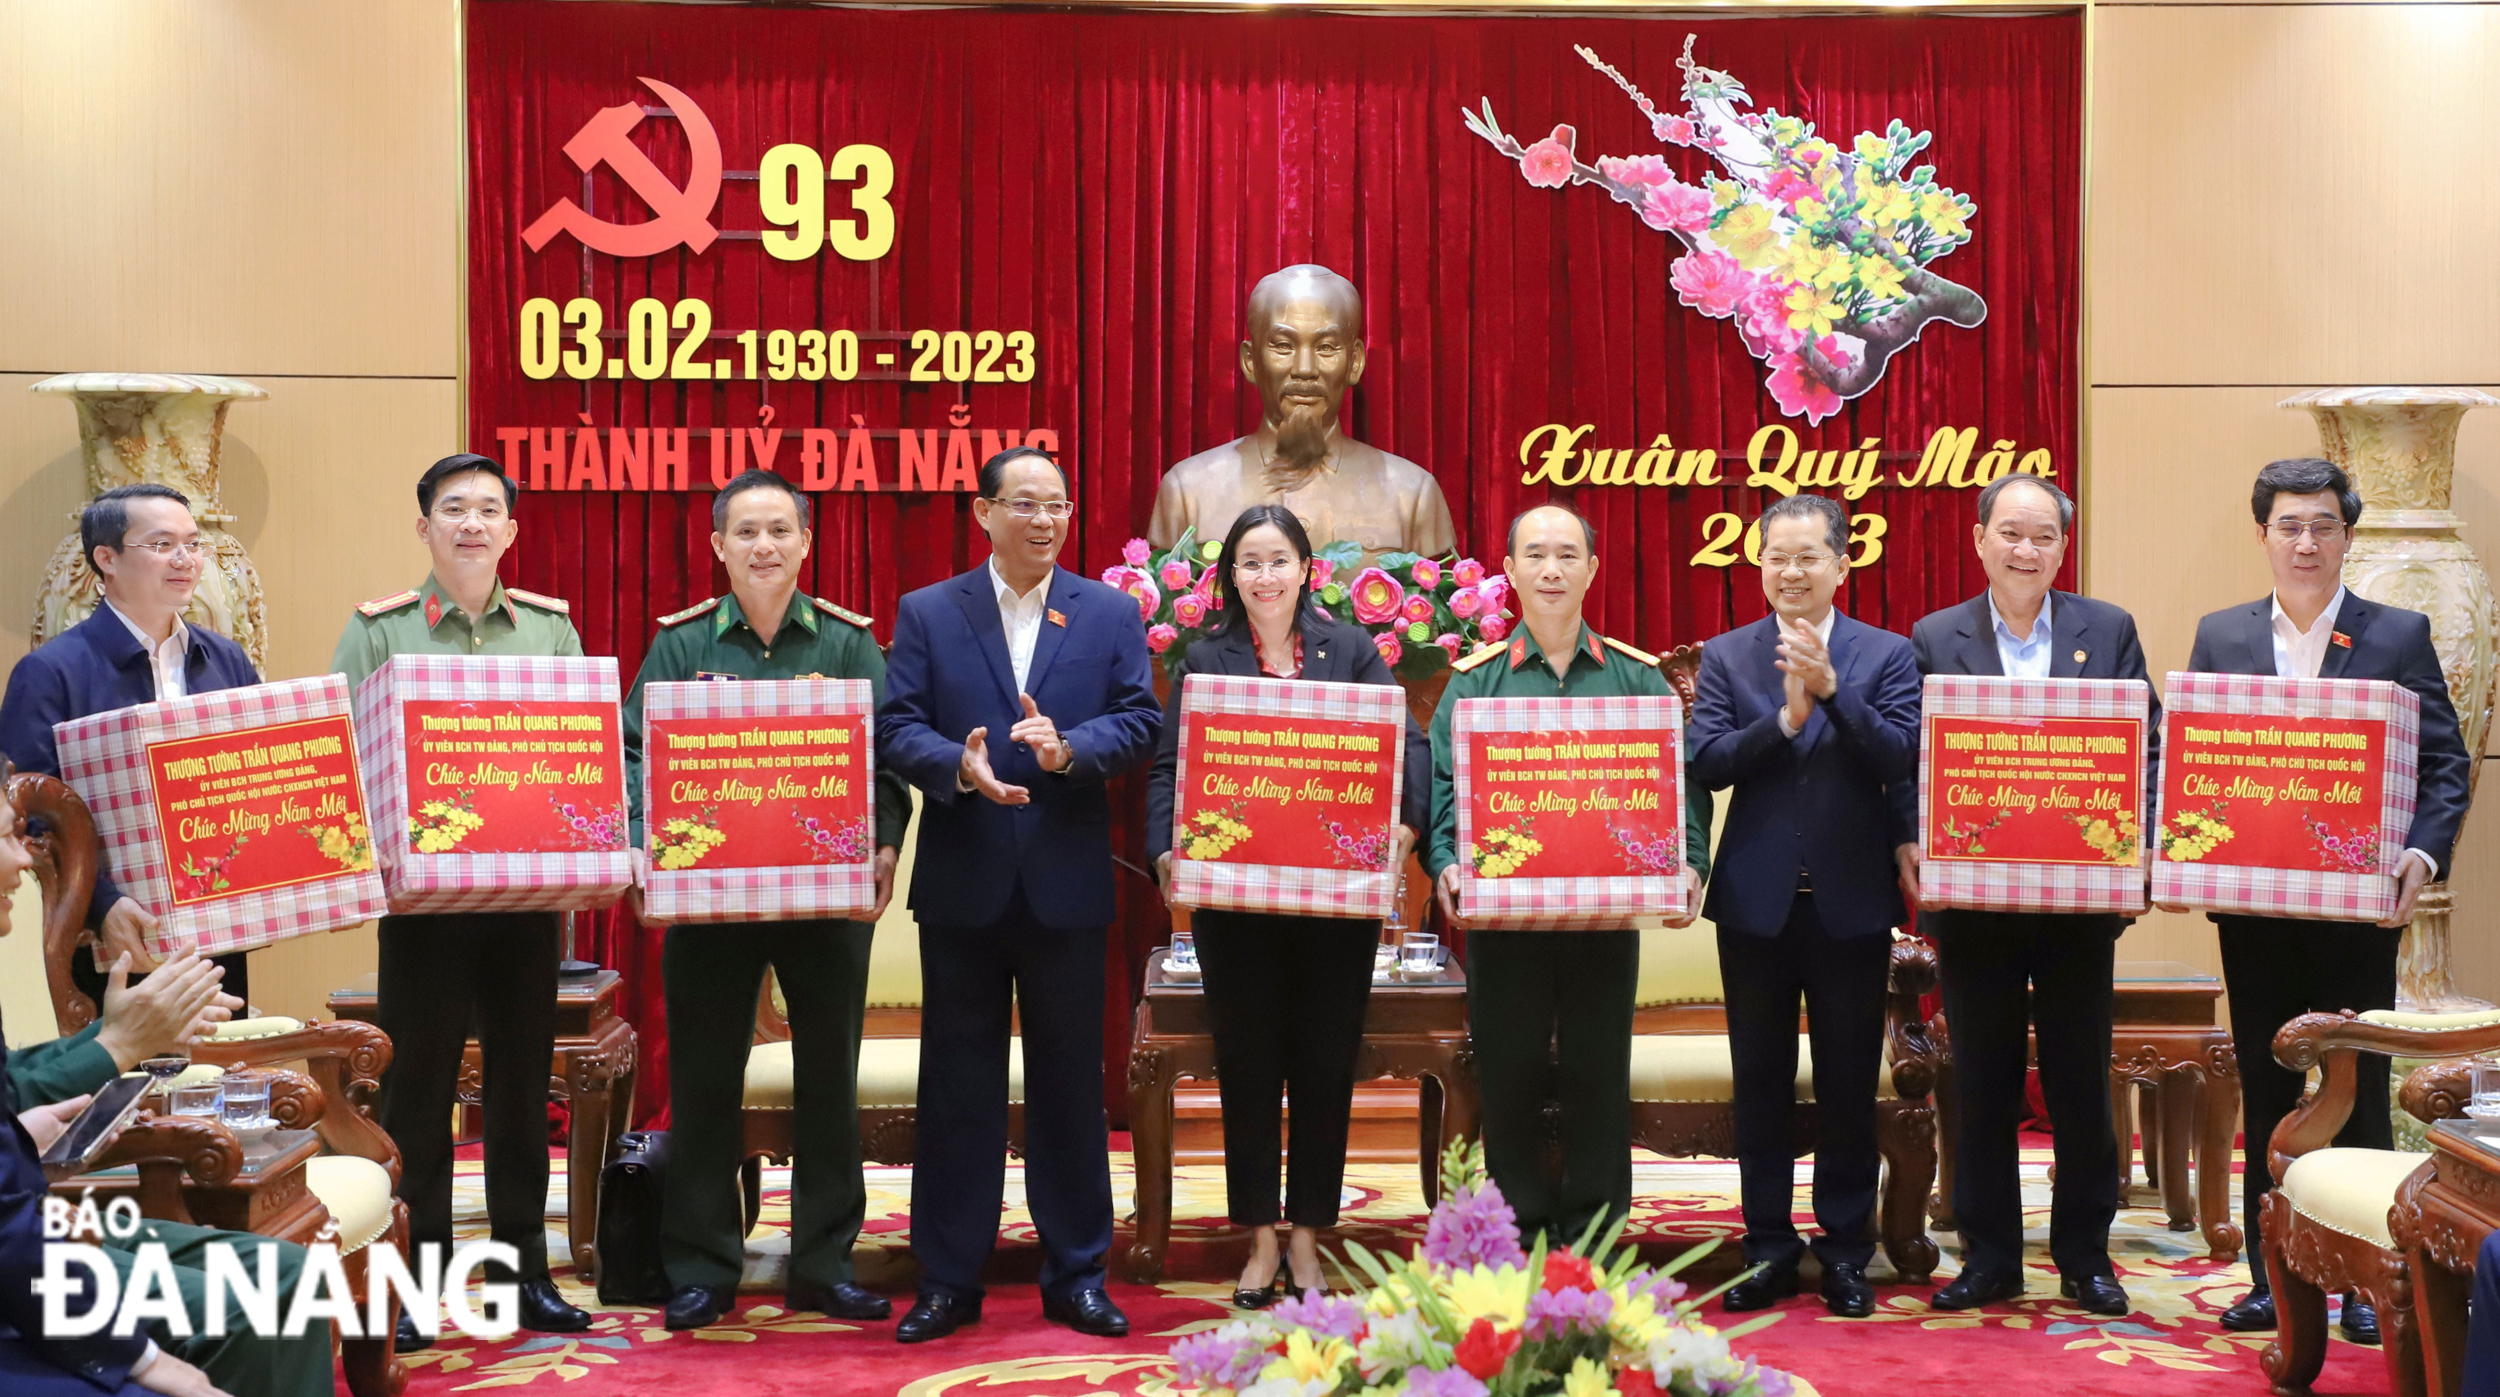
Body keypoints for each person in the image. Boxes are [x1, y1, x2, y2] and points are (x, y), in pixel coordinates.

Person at [876, 446, 1161, 1343]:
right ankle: (947, 1278)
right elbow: (895, 725)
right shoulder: (929, 610)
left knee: (1072, 1088)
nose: (1045, 521)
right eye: (1026, 504)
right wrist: (954, 768)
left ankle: (1077, 1272)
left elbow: (1142, 719)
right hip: (963, 880)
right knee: (956, 1087)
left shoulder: (1110, 611)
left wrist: (1070, 749)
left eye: (1059, 507)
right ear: (983, 512)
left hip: (1066, 885)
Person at [2185, 457, 2470, 1344]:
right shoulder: (2222, 635)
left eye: (2322, 525)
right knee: (2268, 1083)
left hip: (2355, 910)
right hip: (2255, 909)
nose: (2305, 541)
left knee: (2360, 1081)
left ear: (2347, 535)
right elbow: (2198, 761)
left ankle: (2359, 1274)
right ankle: (2273, 1277)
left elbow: (2446, 764)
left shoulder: (2397, 633)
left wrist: (2421, 855)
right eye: (2288, 525)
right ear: (2262, 535)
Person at [620, 469, 911, 1331]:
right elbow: (633, 753)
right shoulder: (679, 647)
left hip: (825, 901)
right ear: (718, 546)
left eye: (780, 530)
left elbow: (888, 761)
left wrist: (886, 844)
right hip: (709, 900)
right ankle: (704, 1267)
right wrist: (641, 843)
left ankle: (824, 1263)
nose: (764, 546)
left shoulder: (851, 646)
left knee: (831, 1082)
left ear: (805, 544)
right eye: (745, 532)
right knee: (707, 1082)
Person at [328, 453, 591, 1348]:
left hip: (526, 903)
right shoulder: (378, 630)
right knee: (417, 1091)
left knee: (523, 1090)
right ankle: (412, 1276)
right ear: (424, 527)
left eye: (488, 510)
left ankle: (526, 1273)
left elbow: (574, 758)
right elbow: (344, 756)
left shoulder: (551, 630)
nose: (472, 523)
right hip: (425, 908)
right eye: (454, 509)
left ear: (512, 530)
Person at [1145, 504, 1429, 1306]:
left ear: (1307, 568)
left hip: (1333, 908)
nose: (1264, 576)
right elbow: (1171, 768)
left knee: (1322, 1066)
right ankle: (1259, 1240)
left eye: (1278, 560)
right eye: (1249, 562)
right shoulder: (1206, 656)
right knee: (1247, 1067)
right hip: (1236, 910)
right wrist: (1166, 850)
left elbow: (1408, 742)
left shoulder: (1352, 650)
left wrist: (1405, 826)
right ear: (1229, 576)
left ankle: (1308, 1237)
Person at [1425, 503, 1712, 1253]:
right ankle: (1514, 1235)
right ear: (1510, 571)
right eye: (1535, 556)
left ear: (1591, 568)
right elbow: (1445, 793)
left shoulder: (1638, 681)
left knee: (1596, 1078)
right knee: (1510, 1078)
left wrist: (1690, 865)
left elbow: (1682, 791)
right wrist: (1448, 861)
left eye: (1566, 555)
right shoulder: (1474, 685)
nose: (1551, 570)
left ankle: (1594, 1238)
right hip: (1505, 924)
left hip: (1603, 922)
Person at [1906, 474, 2154, 1315]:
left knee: (2082, 1082)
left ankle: (2086, 1255)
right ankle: (1991, 1255)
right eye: (2010, 533)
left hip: (2079, 906)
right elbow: (1914, 758)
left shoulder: (2107, 628)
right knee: (1981, 1081)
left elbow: (2140, 749)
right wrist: (1913, 839)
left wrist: (2144, 851)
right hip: (1975, 906)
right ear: (1978, 540)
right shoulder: (1935, 635)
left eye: (2043, 536)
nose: (2025, 549)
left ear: (2062, 546)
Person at [0, 771, 324, 1397]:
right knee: (252, 1305)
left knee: (288, 1276)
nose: (25, 860)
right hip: (21, 1246)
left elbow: (12, 1084)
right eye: (11, 837)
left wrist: (22, 1132)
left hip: (29, 1215)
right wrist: (144, 1359)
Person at [1688, 493, 1921, 1319]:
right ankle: (1767, 1248)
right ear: (1759, 565)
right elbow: (1708, 762)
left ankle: (1847, 1251)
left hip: (1851, 903)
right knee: (1761, 1084)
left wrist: (1832, 694)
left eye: (1807, 558)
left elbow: (1899, 754)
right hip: (1755, 905)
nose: (1790, 572)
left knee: (1850, 1083)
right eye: (1775, 558)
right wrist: (1785, 722)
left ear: (1841, 565)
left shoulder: (1887, 654)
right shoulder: (1727, 655)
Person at [0, 483, 261, 1006]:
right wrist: (102, 906)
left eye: (194, 543)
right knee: (127, 1085)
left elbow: (255, 784)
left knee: (217, 1077)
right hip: (109, 935)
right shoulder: (50, 673)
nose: (186, 560)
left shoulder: (227, 660)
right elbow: (32, 817)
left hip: (217, 930)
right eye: (163, 545)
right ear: (107, 558)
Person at [1146, 264, 1457, 566]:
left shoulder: (1412, 495)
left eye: (1326, 347)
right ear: (1250, 360)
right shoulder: (1188, 492)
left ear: (1354, 362)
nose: (1305, 369)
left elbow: (1443, 608)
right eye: (1283, 346)